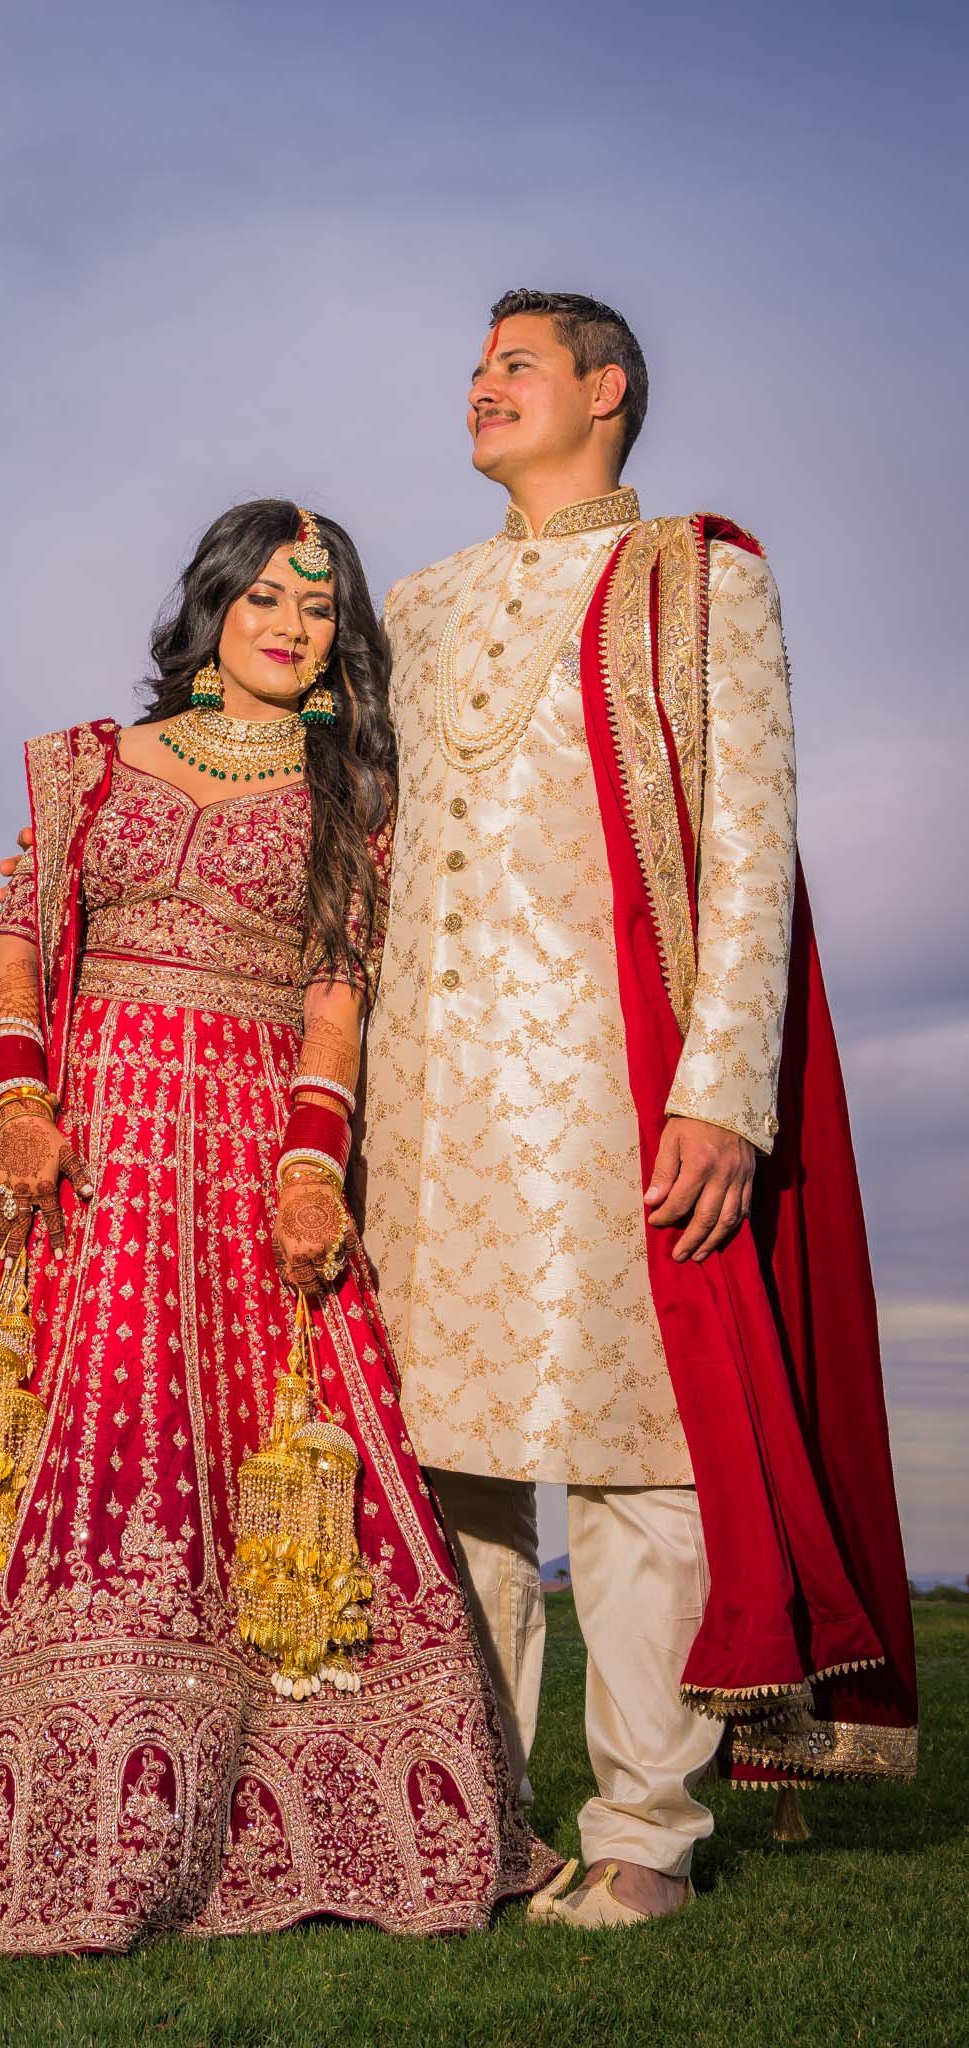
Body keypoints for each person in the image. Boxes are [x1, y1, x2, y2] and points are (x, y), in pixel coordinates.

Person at [0, 501, 559, 1956]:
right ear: (212, 609)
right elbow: (14, 944)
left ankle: (306, 1820)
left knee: (277, 1477)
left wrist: (312, 1172)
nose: (290, 629)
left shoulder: (344, 796)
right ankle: (48, 1816)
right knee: (82, 1446)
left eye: (318, 609)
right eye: (265, 602)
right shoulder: (86, 771)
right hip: (90, 1152)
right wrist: (18, 1108)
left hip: (245, 1159)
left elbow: (334, 998)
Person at [362, 290, 917, 1926]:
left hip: (611, 1083)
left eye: (514, 365)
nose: (479, 388)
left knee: (626, 1461)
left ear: (604, 392)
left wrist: (723, 1091)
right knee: (440, 1474)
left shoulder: (694, 574)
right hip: (424, 1100)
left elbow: (749, 842)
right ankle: (471, 1829)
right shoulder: (418, 601)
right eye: (471, 367)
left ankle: (643, 1835)